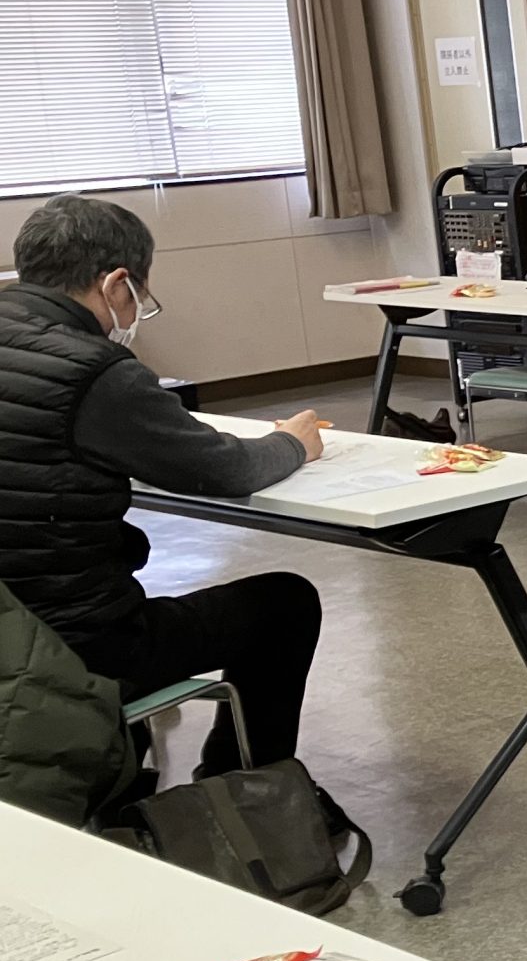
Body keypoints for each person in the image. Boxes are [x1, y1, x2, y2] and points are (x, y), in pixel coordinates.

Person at [0, 196, 324, 783]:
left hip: (11, 627)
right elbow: (225, 471)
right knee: (285, 603)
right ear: (116, 284)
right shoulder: (95, 371)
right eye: (137, 297)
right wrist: (293, 443)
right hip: (72, 646)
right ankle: (244, 793)